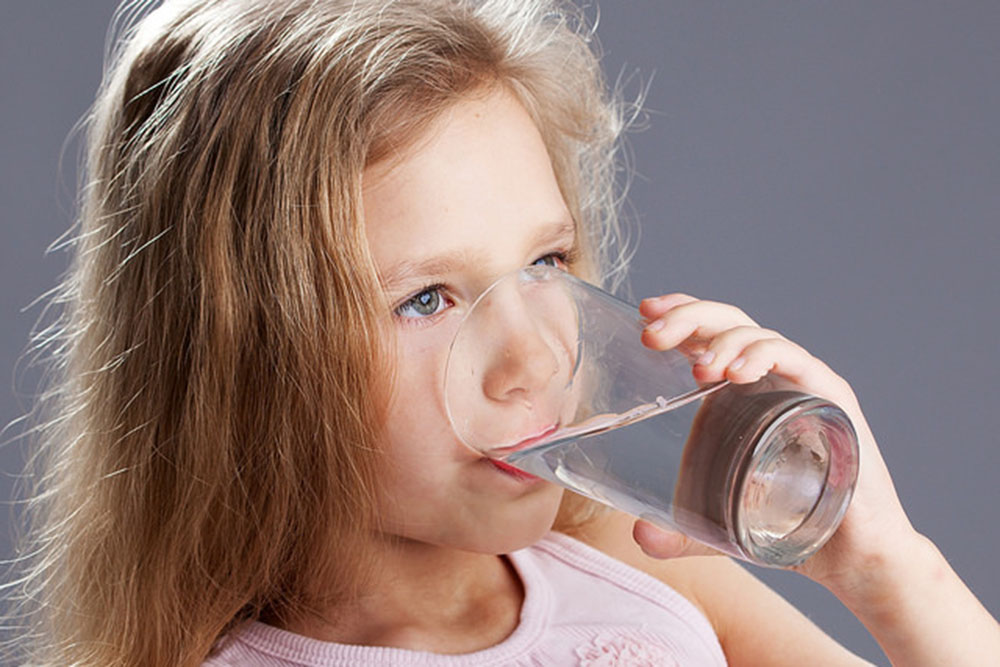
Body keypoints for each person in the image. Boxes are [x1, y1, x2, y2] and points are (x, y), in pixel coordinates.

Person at [9, 0, 998, 664]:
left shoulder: (627, 559)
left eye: (545, 264)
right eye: (427, 299)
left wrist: (883, 566)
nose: (535, 353)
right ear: (246, 357)